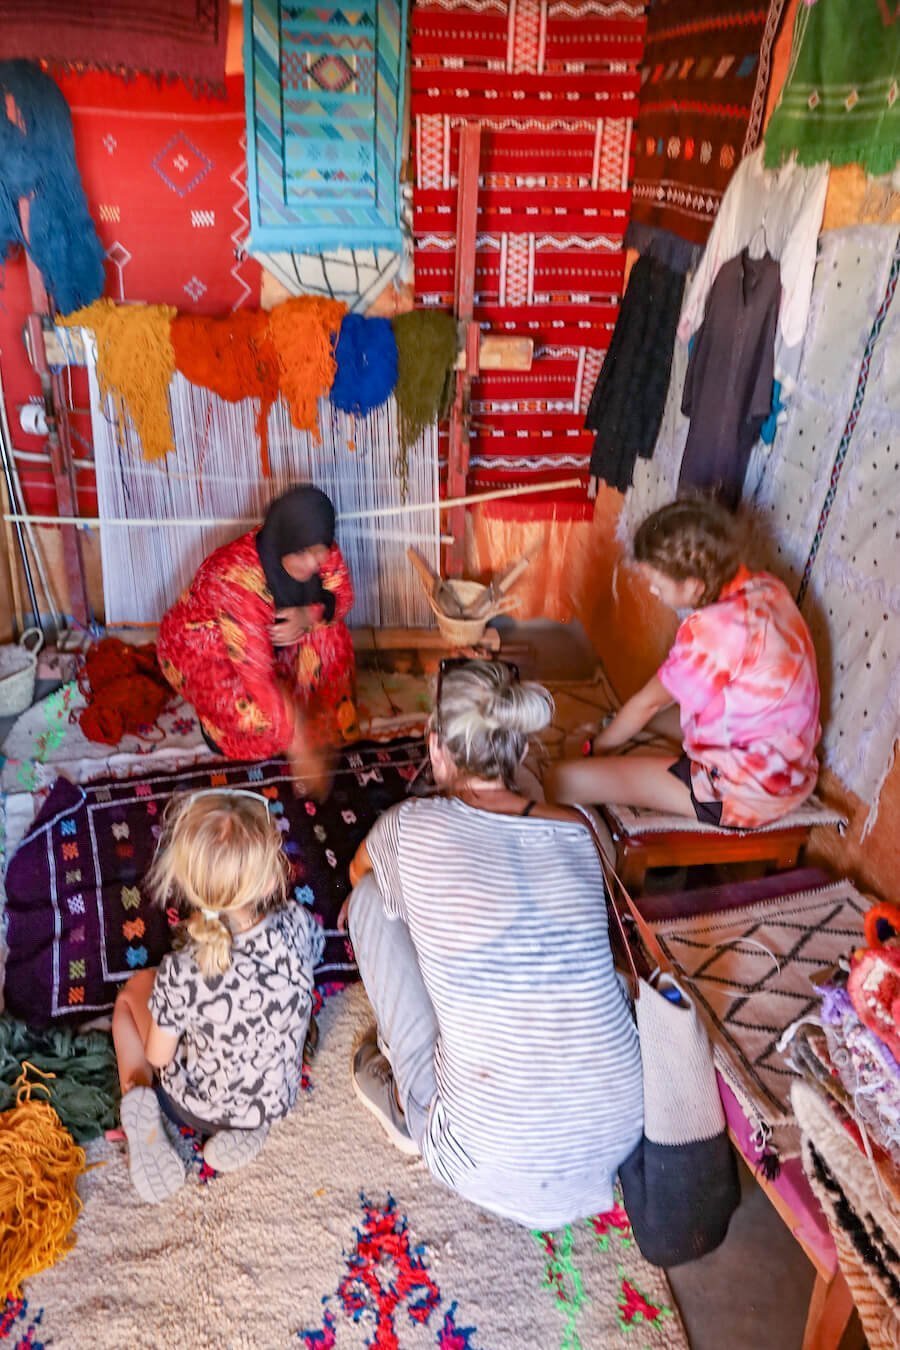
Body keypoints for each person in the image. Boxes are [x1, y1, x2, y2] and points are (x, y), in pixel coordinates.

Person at [338, 659, 643, 1229]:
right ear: (522, 751)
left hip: (477, 1156)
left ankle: (414, 1114)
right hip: (616, 1134)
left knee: (371, 904)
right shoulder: (580, 828)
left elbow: (361, 876)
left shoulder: (407, 827)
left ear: (435, 747)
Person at [547, 498, 821, 829]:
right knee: (645, 719)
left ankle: (603, 743)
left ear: (694, 585)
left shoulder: (713, 630)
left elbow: (647, 704)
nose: (652, 590)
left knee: (562, 779)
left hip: (743, 793)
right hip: (788, 771)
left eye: (657, 583)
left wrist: (596, 747)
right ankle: (611, 730)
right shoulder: (766, 587)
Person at [112, 789, 323, 1205]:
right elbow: (311, 959)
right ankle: (251, 1125)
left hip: (194, 1106)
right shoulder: (297, 924)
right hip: (275, 1096)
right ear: (268, 877)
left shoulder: (182, 971)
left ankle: (138, 1100)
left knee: (130, 999)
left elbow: (160, 1056)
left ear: (186, 883)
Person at [157, 485, 357, 782]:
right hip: (206, 656)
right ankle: (215, 728)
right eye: (302, 553)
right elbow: (257, 677)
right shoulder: (239, 581)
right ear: (284, 541)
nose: (314, 562)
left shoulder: (314, 543)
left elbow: (342, 596)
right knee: (264, 724)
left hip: (267, 643)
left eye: (320, 551)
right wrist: (299, 744)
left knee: (331, 637)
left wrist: (308, 614)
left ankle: (301, 712)